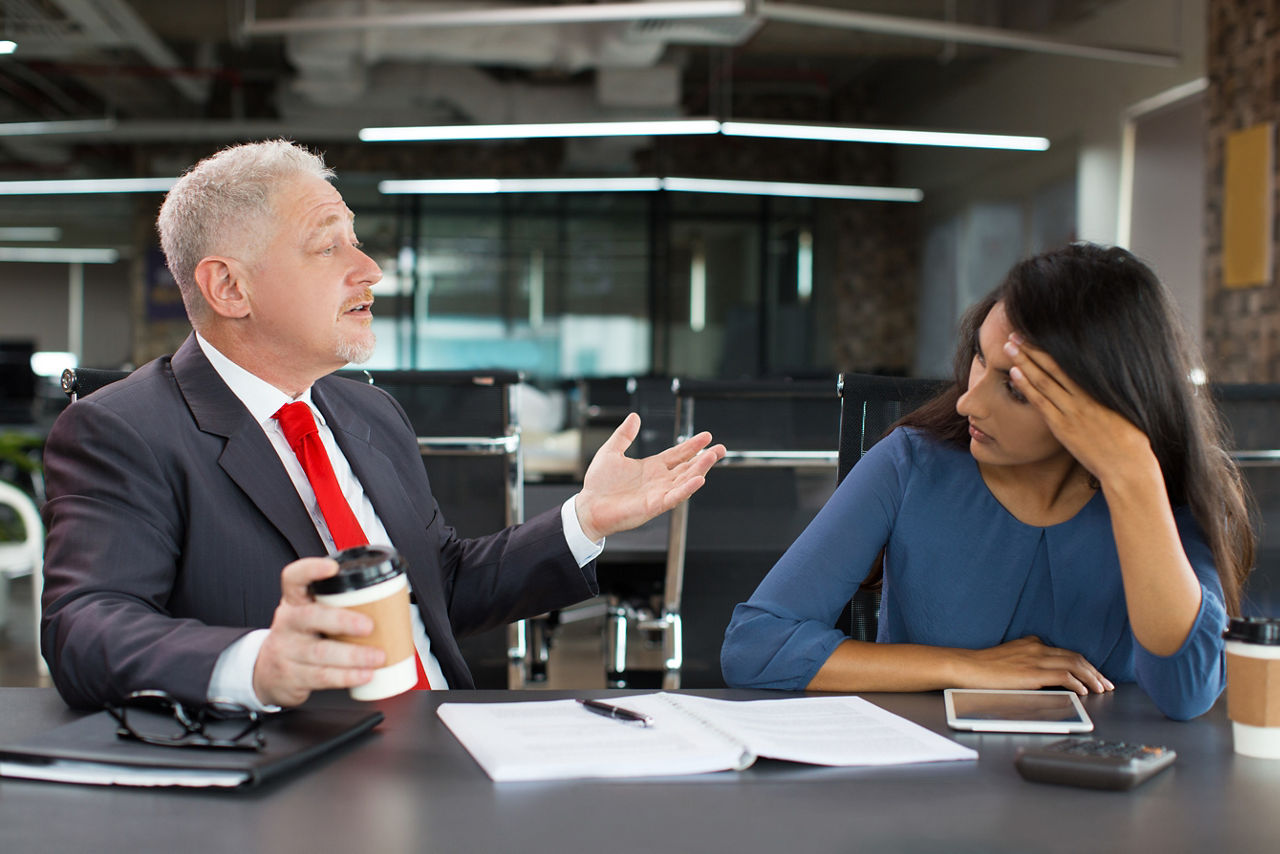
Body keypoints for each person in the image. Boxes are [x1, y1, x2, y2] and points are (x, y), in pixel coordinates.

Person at [40, 139, 725, 711]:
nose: (368, 269)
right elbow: (84, 628)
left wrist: (585, 519)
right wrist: (256, 664)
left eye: (357, 243)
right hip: (302, 777)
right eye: (327, 246)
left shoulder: (367, 411)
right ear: (230, 288)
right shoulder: (122, 430)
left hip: (447, 742)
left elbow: (442, 586)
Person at [721, 243, 1254, 720]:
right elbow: (756, 646)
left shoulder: (1169, 493)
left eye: (1017, 389)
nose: (967, 400)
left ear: (1105, 401)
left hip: (1105, 796)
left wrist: (1132, 476)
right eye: (980, 357)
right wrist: (968, 667)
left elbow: (1187, 693)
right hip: (932, 784)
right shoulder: (910, 463)